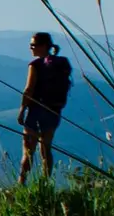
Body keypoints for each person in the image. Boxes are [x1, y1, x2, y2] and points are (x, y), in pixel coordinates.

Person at [18, 31, 73, 184]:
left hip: (36, 110)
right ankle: (45, 183)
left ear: (43, 46)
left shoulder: (35, 65)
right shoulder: (61, 63)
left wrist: (22, 110)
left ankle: (21, 182)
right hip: (54, 111)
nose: (31, 48)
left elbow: (29, 89)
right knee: (46, 149)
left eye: (33, 45)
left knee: (28, 150)